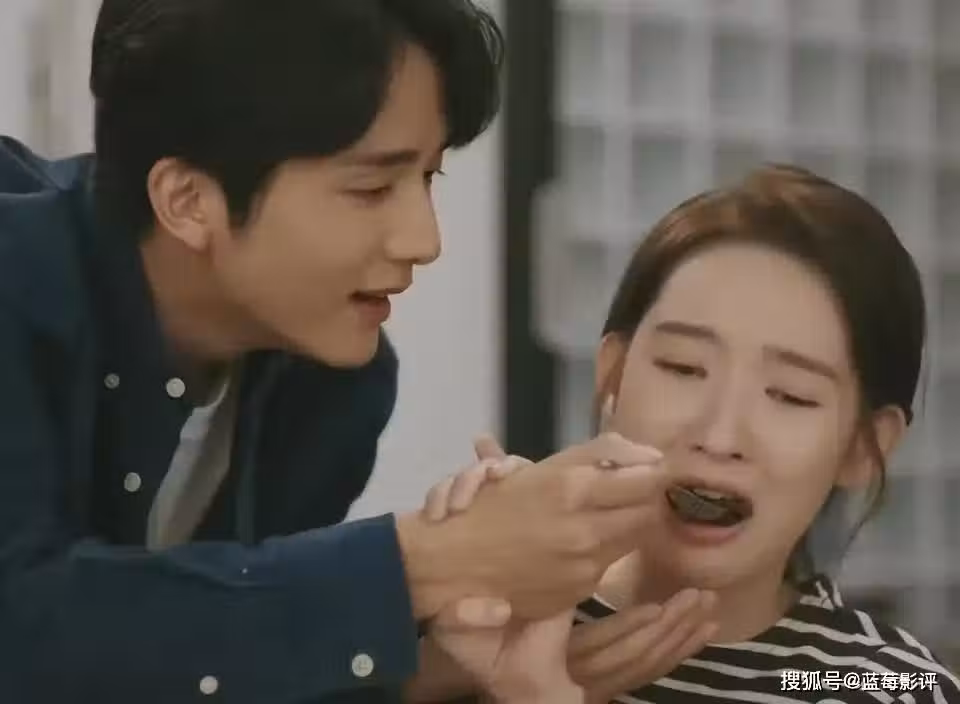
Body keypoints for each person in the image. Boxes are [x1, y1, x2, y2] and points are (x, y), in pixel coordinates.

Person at [0, 1, 712, 702]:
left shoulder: (333, 386)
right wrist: (432, 560)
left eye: (427, 177)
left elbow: (207, 670)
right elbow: (24, 630)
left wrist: (450, 669)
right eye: (372, 188)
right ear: (187, 199)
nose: (424, 241)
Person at [420, 164, 960, 703]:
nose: (719, 436)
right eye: (683, 367)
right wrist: (443, 668)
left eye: (790, 396)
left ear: (864, 446)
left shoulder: (888, 684)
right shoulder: (452, 627)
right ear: (613, 374)